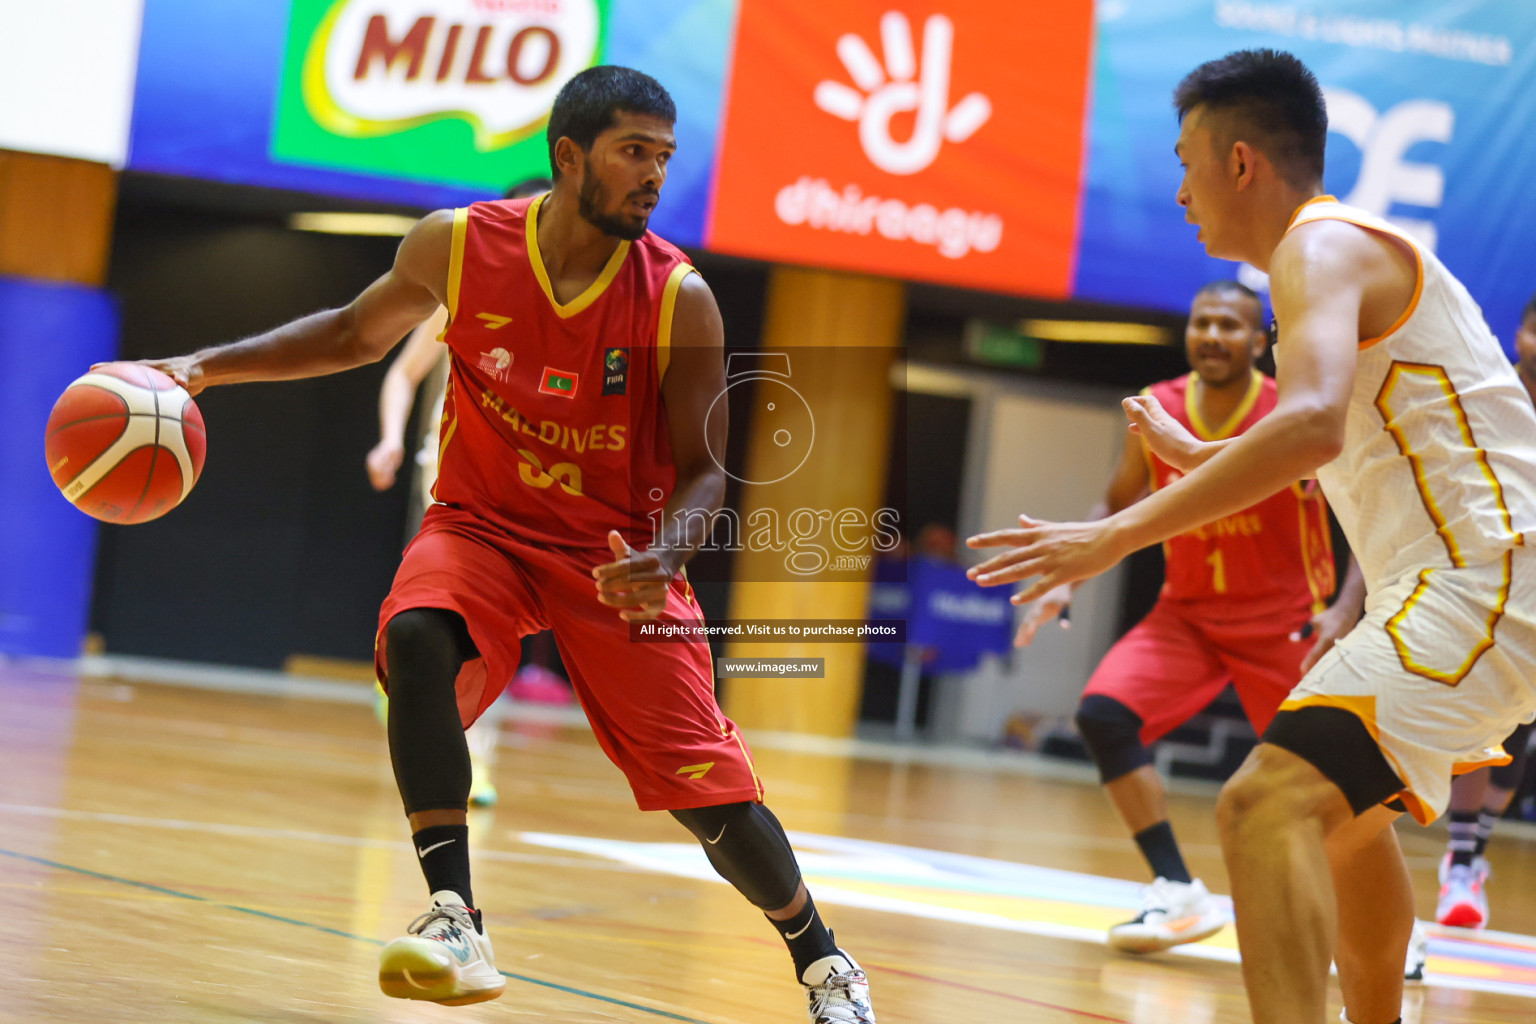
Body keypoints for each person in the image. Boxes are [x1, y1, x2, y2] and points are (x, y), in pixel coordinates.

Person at [141, 67, 876, 1023]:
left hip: (612, 559)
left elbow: (706, 469)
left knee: (710, 798)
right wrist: (204, 368)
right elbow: (355, 332)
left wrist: (667, 556)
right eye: (633, 153)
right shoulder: (457, 245)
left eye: (665, 156)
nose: (655, 176)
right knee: (416, 638)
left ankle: (824, 962)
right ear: (569, 157)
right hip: (481, 525)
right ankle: (456, 916)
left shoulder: (677, 297)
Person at [967, 49, 1536, 1024]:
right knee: (1345, 823)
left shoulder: (1320, 248)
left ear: (1239, 162)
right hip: (1453, 578)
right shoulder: (1326, 259)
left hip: (1482, 574)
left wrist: (1116, 539)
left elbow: (1311, 421)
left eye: (1186, 159)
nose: (1181, 189)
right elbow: (1354, 443)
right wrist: (1195, 456)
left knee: (1259, 804)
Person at [1016, 280, 1351, 954]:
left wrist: (1347, 607)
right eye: (1203, 322)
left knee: (1332, 782)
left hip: (1286, 623)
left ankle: (1382, 927)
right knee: (1104, 715)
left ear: (1260, 342)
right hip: (1188, 617)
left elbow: (1366, 516)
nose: (1213, 335)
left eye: (1231, 325)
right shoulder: (1158, 408)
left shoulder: (1294, 411)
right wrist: (1067, 575)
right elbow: (1112, 503)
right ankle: (1176, 890)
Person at [365, 177, 563, 809]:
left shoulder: (575, 314)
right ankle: (438, 720)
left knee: (497, 629)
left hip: (521, 489)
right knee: (444, 619)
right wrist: (389, 439)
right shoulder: (465, 293)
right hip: (445, 478)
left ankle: (472, 750)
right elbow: (402, 373)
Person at [1432, 294, 1536, 927]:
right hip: (1487, 581)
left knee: (1519, 734)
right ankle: (1462, 858)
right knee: (1484, 728)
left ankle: (1470, 854)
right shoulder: (1490, 397)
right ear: (1520, 333)